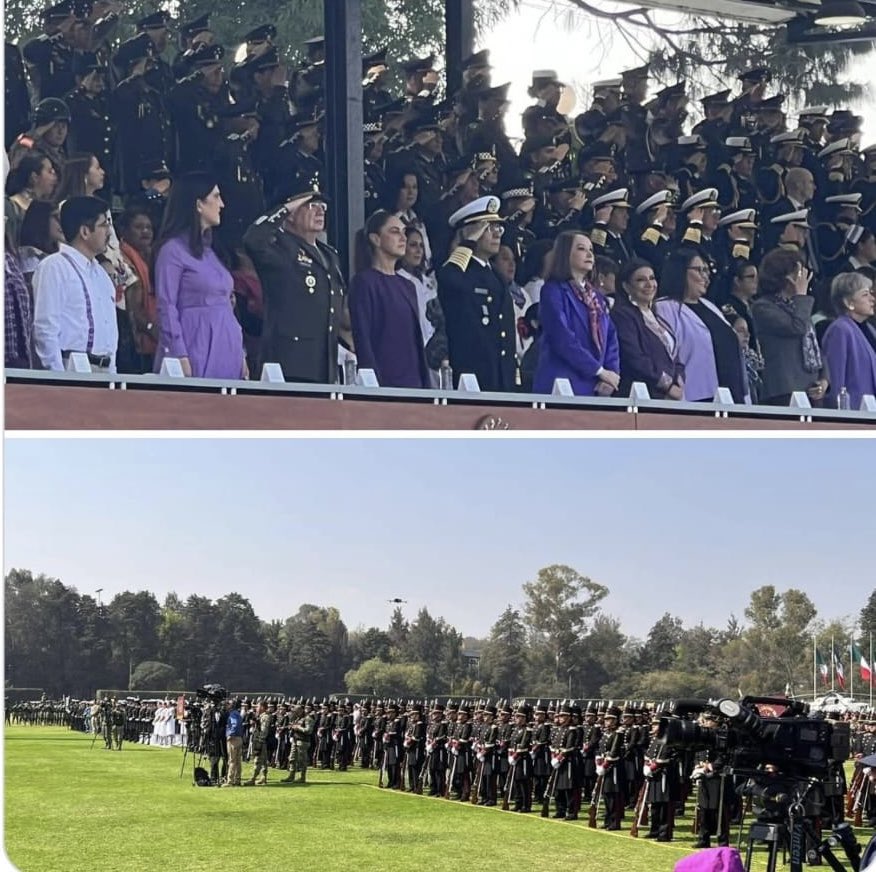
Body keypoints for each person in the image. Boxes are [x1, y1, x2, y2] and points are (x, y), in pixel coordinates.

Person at [243, 181, 346, 384]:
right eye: (310, 205)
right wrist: (284, 208)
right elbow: (253, 239)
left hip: (323, 365)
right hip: (289, 364)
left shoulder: (329, 254)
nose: (319, 211)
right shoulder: (280, 246)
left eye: (322, 207)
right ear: (290, 213)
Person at [153, 172, 248, 379]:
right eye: (216, 196)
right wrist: (179, 353)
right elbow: (166, 305)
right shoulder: (173, 251)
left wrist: (241, 354)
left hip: (226, 345)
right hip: (195, 342)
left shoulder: (211, 252)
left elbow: (228, 308)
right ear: (198, 204)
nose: (222, 204)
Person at [437, 195, 517, 392]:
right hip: (471, 377)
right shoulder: (462, 272)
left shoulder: (495, 275)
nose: (497, 234)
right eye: (488, 228)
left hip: (499, 377)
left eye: (499, 228)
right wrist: (468, 242)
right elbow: (448, 278)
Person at [32, 195, 118, 372]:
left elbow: (110, 329)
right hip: (70, 368)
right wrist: (58, 376)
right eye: (104, 225)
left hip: (104, 371)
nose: (109, 232)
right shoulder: (55, 266)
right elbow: (45, 328)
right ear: (85, 231)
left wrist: (112, 373)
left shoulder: (102, 274)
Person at [349, 210, 430, 388]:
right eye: (394, 231)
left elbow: (415, 343)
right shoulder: (365, 282)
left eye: (403, 232)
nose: (403, 238)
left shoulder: (408, 285)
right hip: (385, 384)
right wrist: (372, 386)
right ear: (376, 239)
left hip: (414, 386)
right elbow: (363, 339)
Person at [532, 230, 620, 396]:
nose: (589, 254)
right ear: (565, 254)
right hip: (563, 383)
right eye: (581, 249)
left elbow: (611, 337)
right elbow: (562, 337)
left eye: (591, 250)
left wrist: (611, 374)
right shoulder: (553, 291)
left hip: (596, 387)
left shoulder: (598, 298)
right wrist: (598, 370)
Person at [655, 248, 746, 403]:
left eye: (706, 270)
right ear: (680, 272)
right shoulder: (664, 308)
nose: (706, 276)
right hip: (697, 398)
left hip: (732, 397)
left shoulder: (710, 306)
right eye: (699, 270)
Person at [751, 248, 830, 405]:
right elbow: (797, 327)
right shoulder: (763, 307)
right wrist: (801, 296)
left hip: (811, 391)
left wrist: (824, 380)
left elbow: (814, 344)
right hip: (783, 391)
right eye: (798, 273)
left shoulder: (799, 306)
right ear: (785, 277)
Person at [610, 258, 684, 399]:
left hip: (668, 398)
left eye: (652, 278)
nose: (649, 284)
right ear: (626, 286)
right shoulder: (622, 315)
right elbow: (635, 358)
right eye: (640, 280)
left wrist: (679, 382)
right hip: (640, 396)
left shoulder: (659, 319)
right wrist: (667, 385)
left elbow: (675, 357)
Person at [821, 271, 876, 409]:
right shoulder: (840, 329)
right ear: (848, 302)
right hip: (853, 413)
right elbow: (836, 377)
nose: (872, 299)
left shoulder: (869, 328)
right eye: (865, 294)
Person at [118, 206, 157, 373]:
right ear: (124, 231)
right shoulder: (122, 260)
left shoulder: (149, 257)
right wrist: (151, 328)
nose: (145, 232)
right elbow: (131, 306)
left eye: (149, 227)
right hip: (133, 342)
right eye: (138, 227)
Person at [5, 153, 59, 246]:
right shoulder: (11, 206)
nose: (55, 178)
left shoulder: (48, 208)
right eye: (50, 172)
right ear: (34, 177)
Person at [17, 201, 63, 284]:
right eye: (56, 217)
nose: (62, 223)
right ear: (41, 220)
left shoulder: (60, 253)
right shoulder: (28, 255)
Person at [245, 701, 271, 785]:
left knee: (258, 759)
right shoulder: (260, 716)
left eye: (258, 706)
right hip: (258, 739)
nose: (256, 708)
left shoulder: (265, 717)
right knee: (263, 760)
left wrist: (260, 740)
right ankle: (263, 777)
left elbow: (264, 730)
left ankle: (253, 778)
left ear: (263, 707)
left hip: (260, 741)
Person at [223, 698, 244, 787]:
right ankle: (237, 779)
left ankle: (230, 781)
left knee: (232, 760)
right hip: (239, 738)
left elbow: (234, 725)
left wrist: (230, 735)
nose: (227, 705)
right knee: (238, 761)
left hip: (233, 739)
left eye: (229, 704)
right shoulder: (238, 714)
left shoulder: (232, 714)